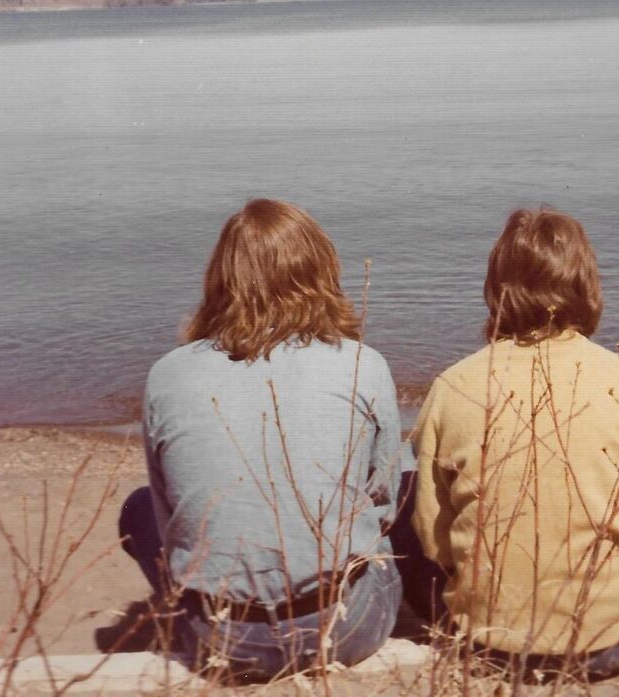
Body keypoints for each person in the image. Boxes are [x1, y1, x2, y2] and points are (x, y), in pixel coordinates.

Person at [395, 207, 619, 679]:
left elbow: (435, 541)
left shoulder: (453, 385)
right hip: (606, 643)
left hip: (486, 641)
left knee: (407, 505)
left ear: (496, 290)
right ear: (585, 285)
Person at [119, 199, 410, 679]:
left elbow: (169, 512)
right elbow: (384, 500)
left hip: (225, 636)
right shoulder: (362, 363)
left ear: (220, 279)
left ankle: (194, 616)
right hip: (344, 628)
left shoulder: (167, 374)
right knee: (405, 482)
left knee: (137, 507)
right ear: (320, 271)